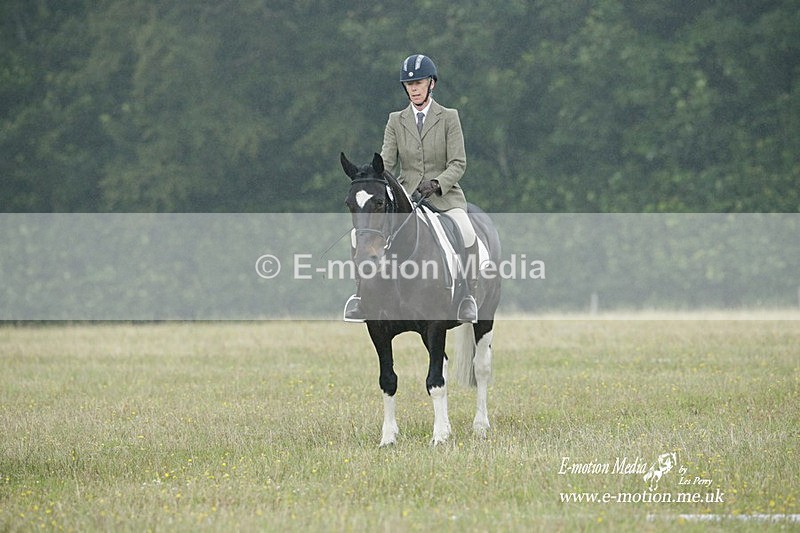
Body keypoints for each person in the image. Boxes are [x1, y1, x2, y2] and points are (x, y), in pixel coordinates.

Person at [344, 53, 478, 323]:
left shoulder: (449, 117)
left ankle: (467, 297)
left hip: (444, 198)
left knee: (466, 231)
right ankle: (361, 296)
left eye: (419, 82)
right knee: (357, 235)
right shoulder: (396, 120)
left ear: (432, 84)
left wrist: (438, 183)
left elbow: (458, 162)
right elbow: (387, 163)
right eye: (409, 84)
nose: (414, 88)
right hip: (407, 197)